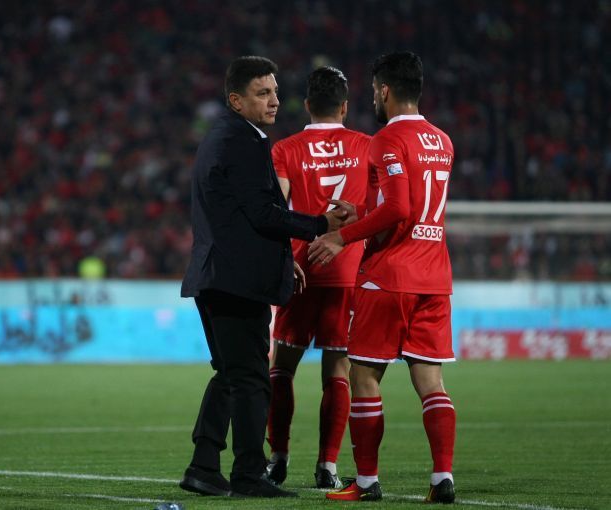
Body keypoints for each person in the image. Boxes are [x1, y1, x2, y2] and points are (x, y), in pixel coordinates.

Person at [179, 55, 355, 499]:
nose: (275, 100)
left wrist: (281, 258)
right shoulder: (242, 142)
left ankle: (203, 466)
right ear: (236, 100)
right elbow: (263, 214)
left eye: (275, 91)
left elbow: (239, 216)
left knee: (230, 373)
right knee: (253, 378)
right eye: (262, 93)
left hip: (217, 274)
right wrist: (321, 224)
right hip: (237, 281)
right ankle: (248, 474)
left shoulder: (223, 137)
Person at [309, 51, 457, 504]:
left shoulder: (386, 140)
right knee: (431, 382)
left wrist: (342, 236)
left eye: (374, 90)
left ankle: (367, 482)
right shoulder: (442, 140)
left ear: (385, 90)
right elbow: (410, 207)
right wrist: (362, 212)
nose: (373, 97)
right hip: (434, 277)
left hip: (389, 276)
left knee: (364, 376)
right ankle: (442, 478)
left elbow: (399, 208)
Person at [264, 66, 371, 490]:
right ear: (344, 107)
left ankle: (278, 458)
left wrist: (281, 258)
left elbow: (275, 212)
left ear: (307, 105)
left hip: (300, 270)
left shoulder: (285, 149)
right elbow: (381, 208)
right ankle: (328, 465)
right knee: (338, 370)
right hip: (347, 272)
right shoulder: (367, 146)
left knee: (281, 368)